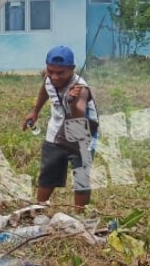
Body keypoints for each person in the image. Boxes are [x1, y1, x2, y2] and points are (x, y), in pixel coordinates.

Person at [23, 45, 98, 213]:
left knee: (81, 177)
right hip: (56, 129)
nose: (55, 77)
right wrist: (35, 111)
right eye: (51, 71)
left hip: (82, 131)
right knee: (48, 172)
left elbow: (79, 114)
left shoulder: (82, 88)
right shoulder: (48, 77)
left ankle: (81, 216)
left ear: (71, 69)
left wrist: (73, 101)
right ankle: (39, 211)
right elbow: (46, 88)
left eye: (60, 73)